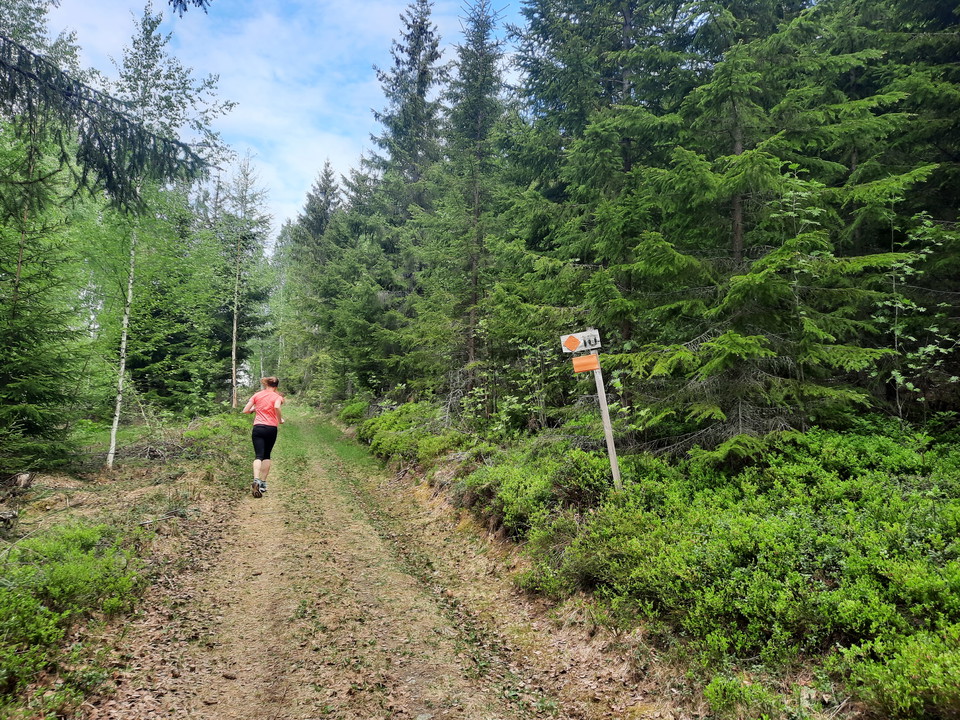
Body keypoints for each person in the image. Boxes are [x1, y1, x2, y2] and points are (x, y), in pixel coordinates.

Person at [241, 377, 284, 498]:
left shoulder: (257, 395)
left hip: (258, 427)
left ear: (266, 384)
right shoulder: (277, 397)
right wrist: (280, 419)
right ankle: (263, 483)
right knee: (267, 455)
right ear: (276, 386)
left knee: (258, 456)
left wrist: (254, 409)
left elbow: (245, 410)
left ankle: (256, 480)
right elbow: (276, 407)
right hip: (271, 428)